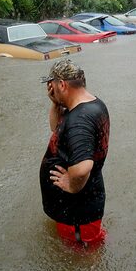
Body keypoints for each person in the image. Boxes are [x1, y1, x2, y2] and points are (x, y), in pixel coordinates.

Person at [39, 59, 111, 247]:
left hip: (77, 213)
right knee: (90, 243)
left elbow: (82, 168)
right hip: (81, 208)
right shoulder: (89, 105)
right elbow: (56, 128)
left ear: (61, 84)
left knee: (85, 257)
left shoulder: (79, 120)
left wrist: (72, 186)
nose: (50, 89)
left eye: (52, 85)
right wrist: (55, 103)